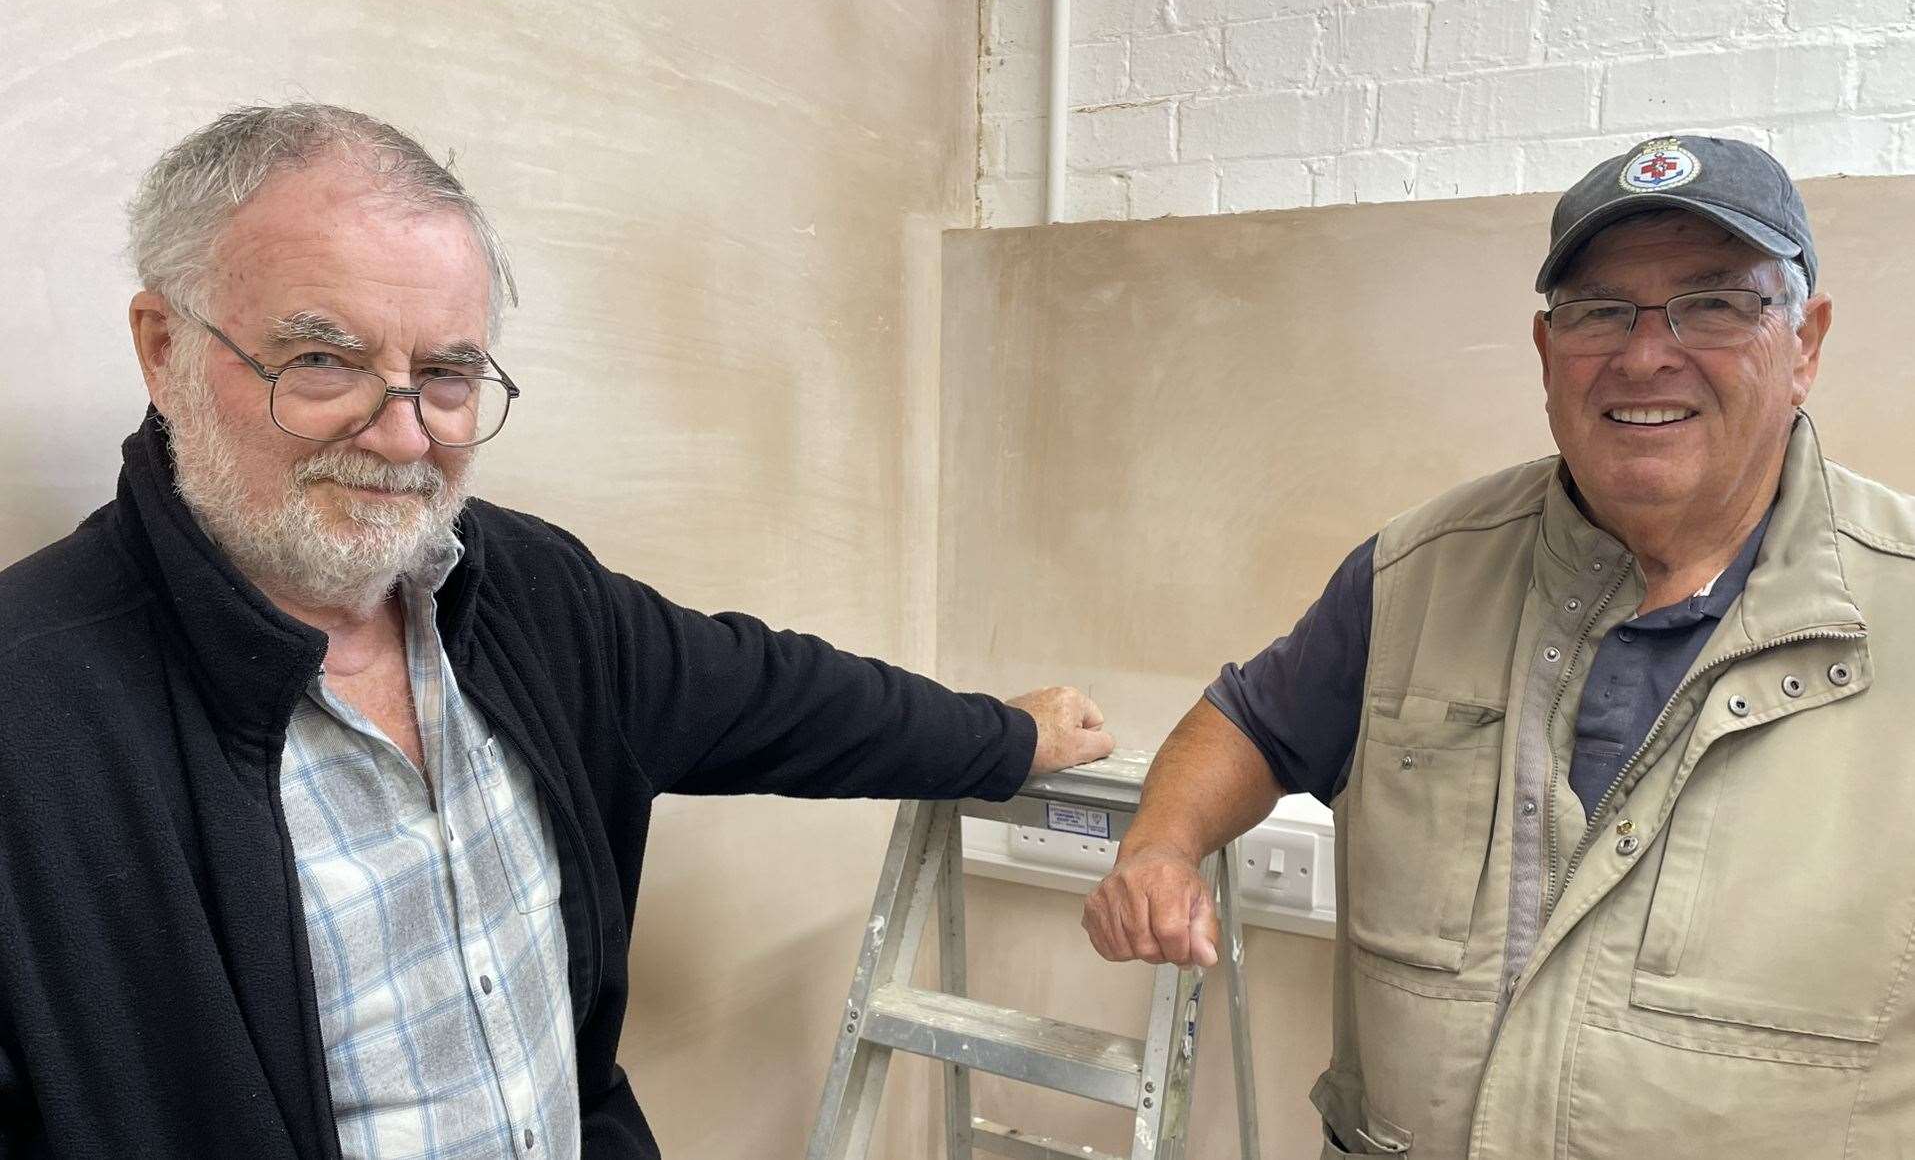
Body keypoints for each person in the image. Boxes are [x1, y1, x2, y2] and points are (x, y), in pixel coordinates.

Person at [0, 103, 1112, 1160]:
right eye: (322, 361)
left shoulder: (523, 592)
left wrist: (1003, 737)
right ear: (162, 346)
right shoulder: (28, 706)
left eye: (444, 375)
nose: (401, 437)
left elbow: (776, 694)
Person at [1083, 135, 1915, 1156]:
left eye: (1713, 304)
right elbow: (1249, 720)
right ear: (1544, 352)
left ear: (1806, 343)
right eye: (1599, 311)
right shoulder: (1415, 574)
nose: (1645, 353)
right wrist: (1162, 846)